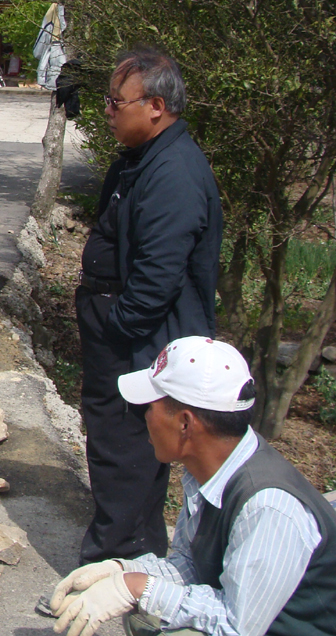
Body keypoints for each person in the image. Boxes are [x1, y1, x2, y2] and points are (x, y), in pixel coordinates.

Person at [50, 336, 336, 636]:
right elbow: (191, 564)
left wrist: (137, 588)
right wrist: (122, 571)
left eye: (150, 406)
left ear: (185, 423)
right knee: (146, 614)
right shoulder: (212, 473)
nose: (145, 416)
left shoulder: (268, 506)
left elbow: (236, 626)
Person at [75, 48, 223, 566]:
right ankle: (135, 554)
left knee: (127, 452)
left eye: (118, 103)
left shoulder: (174, 173)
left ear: (155, 105)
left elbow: (158, 276)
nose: (109, 112)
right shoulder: (141, 161)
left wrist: (116, 329)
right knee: (122, 450)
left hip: (139, 341)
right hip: (120, 334)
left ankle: (113, 565)